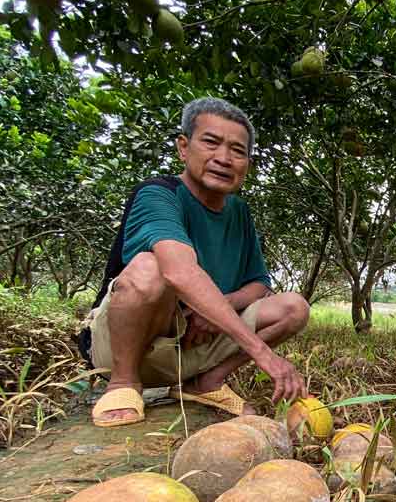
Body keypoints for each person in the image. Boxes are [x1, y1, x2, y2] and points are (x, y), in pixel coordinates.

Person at [80, 97, 308, 427]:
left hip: (190, 348)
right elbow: (178, 271)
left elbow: (260, 284)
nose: (224, 158)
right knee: (149, 267)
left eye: (237, 151)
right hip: (129, 344)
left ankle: (206, 383)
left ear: (247, 162)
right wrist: (262, 353)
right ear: (184, 148)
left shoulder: (239, 212)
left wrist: (221, 308)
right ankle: (124, 383)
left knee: (293, 307)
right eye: (211, 143)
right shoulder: (158, 194)